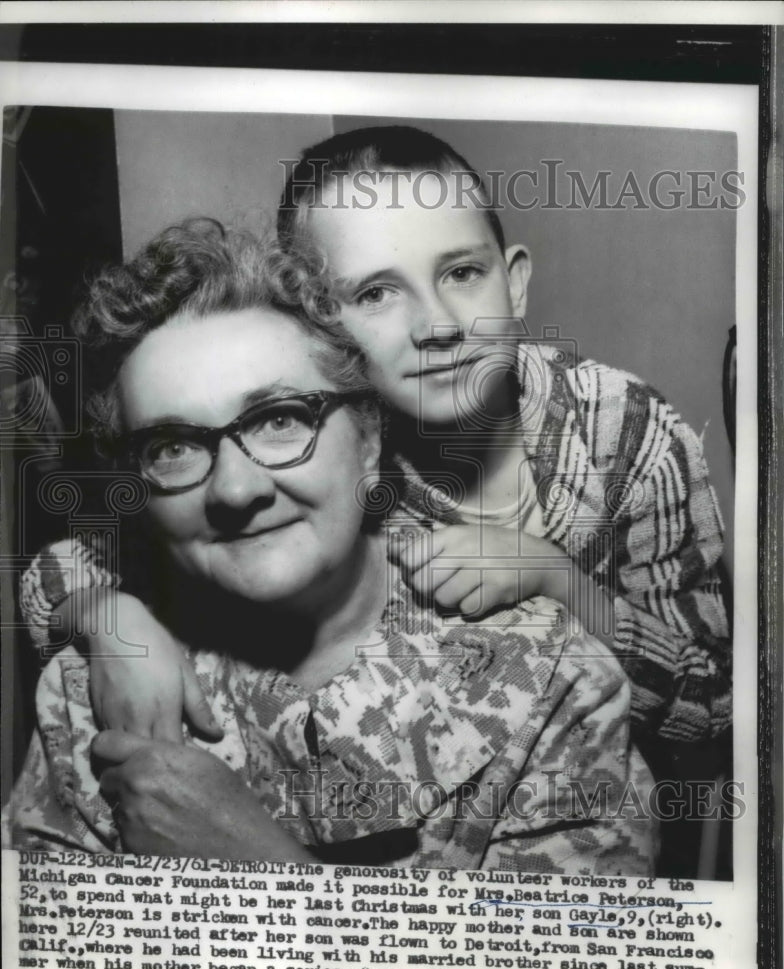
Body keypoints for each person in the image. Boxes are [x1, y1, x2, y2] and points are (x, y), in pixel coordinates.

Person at [20, 125, 730, 746]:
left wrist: (558, 579)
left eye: (462, 272)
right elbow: (57, 570)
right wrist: (108, 618)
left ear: (514, 285)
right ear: (318, 324)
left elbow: (718, 703)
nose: (438, 324)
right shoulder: (321, 447)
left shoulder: (626, 428)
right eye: (375, 293)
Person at [5, 220, 655, 873]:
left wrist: (262, 869)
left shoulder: (549, 681)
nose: (234, 488)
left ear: (369, 442)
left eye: (281, 419)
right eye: (171, 447)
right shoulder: (98, 692)